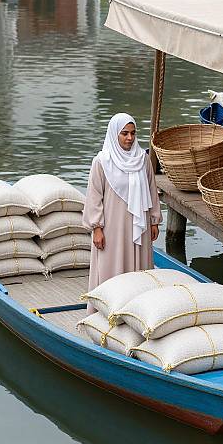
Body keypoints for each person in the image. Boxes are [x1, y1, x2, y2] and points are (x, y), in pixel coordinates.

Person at [82, 113, 162, 314]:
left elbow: (152, 190)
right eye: (124, 133)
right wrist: (97, 228)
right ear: (114, 134)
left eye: (133, 133)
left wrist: (154, 221)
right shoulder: (102, 162)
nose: (130, 138)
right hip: (112, 229)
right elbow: (94, 197)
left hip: (139, 226)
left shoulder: (142, 160)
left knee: (139, 271)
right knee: (111, 269)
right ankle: (105, 311)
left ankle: (137, 311)